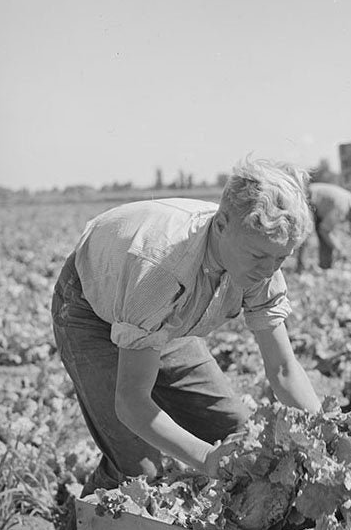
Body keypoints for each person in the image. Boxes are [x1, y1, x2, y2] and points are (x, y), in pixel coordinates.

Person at [51, 157, 321, 497]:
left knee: (242, 437)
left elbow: (282, 369)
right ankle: (82, 525)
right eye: (259, 257)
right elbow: (131, 401)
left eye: (280, 258)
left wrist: (325, 436)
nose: (269, 270)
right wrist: (207, 459)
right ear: (221, 225)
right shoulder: (161, 272)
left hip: (164, 321)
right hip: (91, 309)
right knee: (137, 470)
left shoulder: (260, 257)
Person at [296, 182, 351, 271]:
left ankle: (325, 267)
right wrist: (340, 249)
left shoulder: (350, 206)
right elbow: (324, 230)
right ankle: (300, 268)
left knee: (326, 239)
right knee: (307, 233)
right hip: (308, 198)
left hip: (320, 206)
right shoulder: (341, 208)